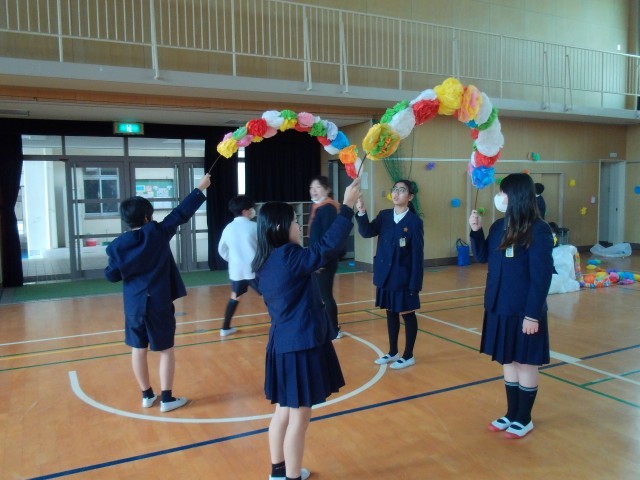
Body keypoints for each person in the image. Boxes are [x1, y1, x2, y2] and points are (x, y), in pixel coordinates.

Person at [252, 177, 361, 480]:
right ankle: (291, 476)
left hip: (282, 345)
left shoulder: (265, 260)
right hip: (299, 345)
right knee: (299, 419)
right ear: (279, 227)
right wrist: (347, 207)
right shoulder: (289, 256)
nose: (298, 226)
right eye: (293, 222)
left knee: (283, 412)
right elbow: (326, 248)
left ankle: (278, 471)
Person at [104, 174, 211, 413]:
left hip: (134, 306)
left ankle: (146, 395)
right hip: (158, 303)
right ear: (146, 217)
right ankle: (166, 399)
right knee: (166, 350)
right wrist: (199, 188)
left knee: (138, 349)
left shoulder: (117, 246)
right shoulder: (157, 233)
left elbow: (111, 275)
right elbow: (180, 214)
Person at [468, 173, 553, 439]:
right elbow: (482, 256)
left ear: (516, 195)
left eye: (503, 192)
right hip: (499, 306)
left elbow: (541, 277)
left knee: (525, 363)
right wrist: (476, 230)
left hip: (524, 310)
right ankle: (511, 413)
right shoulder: (498, 226)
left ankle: (524, 418)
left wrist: (532, 315)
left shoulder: (538, 230)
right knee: (508, 360)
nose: (499, 197)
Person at [355, 179, 424, 370]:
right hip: (385, 275)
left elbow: (417, 256)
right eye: (394, 189)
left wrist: (415, 284)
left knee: (407, 314)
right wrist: (361, 211)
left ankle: (408, 355)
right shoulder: (384, 216)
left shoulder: (414, 222)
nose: (396, 193)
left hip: (403, 277)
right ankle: (393, 351)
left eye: (402, 190)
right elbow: (366, 231)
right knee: (391, 312)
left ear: (410, 197)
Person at [217, 194, 259, 337]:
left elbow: (221, 250)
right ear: (245, 211)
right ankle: (281, 323)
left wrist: (233, 259)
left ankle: (225, 328)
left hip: (236, 270)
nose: (253, 210)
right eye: (252, 208)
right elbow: (264, 247)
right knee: (270, 295)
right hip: (254, 270)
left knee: (235, 296)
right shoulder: (255, 226)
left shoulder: (228, 228)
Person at [308, 175, 343, 339]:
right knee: (319, 294)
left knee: (325, 294)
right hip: (317, 257)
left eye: (318, 187)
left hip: (325, 259)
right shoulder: (316, 206)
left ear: (327, 189)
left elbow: (329, 239)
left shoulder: (328, 208)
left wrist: (320, 260)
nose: (313, 191)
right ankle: (323, 325)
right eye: (311, 187)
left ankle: (334, 330)